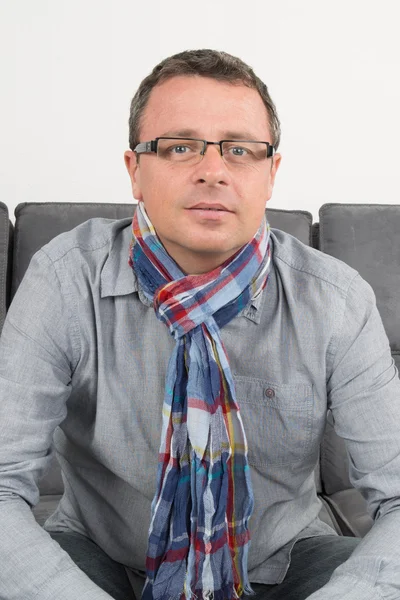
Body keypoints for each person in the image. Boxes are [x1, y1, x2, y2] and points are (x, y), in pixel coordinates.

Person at [0, 49, 399, 600]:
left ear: (270, 174)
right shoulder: (65, 278)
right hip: (104, 559)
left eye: (240, 149)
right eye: (180, 146)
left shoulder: (337, 300)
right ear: (135, 170)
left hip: (280, 562)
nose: (213, 170)